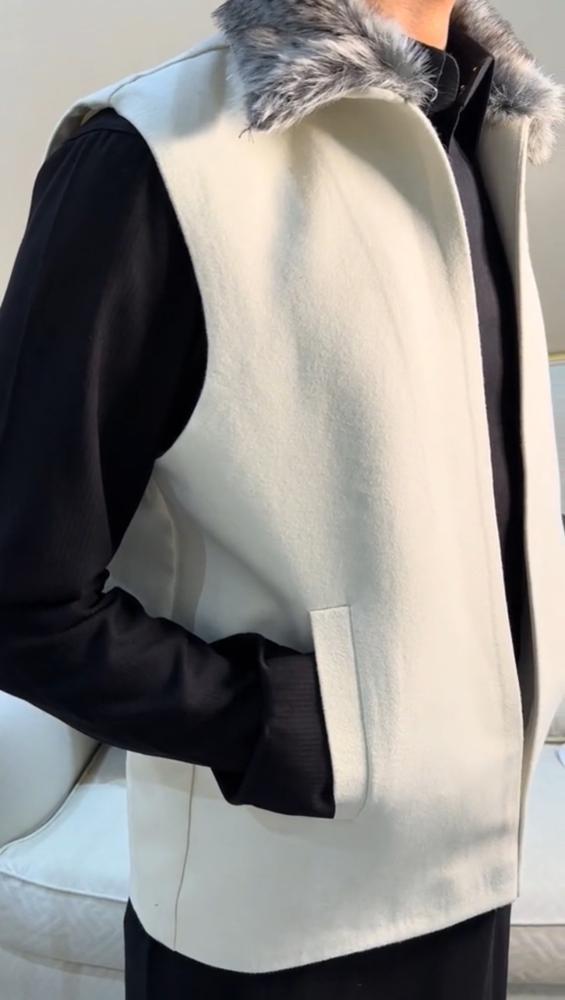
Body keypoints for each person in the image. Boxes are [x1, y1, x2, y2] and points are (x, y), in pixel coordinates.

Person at [1, 0, 564, 997]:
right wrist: (276, 722)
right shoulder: (153, 161)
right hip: (276, 928)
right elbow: (21, 594)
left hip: (477, 875)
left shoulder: (478, 131)